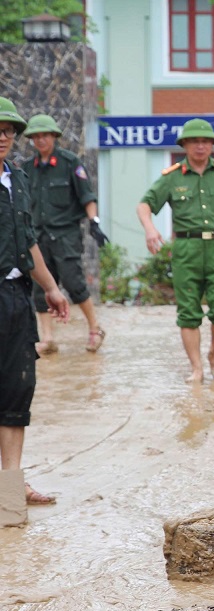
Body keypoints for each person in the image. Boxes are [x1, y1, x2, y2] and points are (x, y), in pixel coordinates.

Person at [136, 118, 214, 383]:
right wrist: (150, 228)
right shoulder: (172, 178)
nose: (200, 146)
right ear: (184, 144)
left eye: (205, 141)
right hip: (186, 249)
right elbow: (144, 205)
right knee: (188, 312)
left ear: (212, 145)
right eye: (194, 141)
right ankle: (196, 368)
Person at [0, 97, 70, 507]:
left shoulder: (18, 179)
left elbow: (27, 242)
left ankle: (10, 491)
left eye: (9, 130)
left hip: (15, 297)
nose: (3, 137)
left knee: (17, 390)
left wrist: (51, 288)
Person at [23, 114, 104, 356]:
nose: (40, 140)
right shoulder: (27, 169)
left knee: (73, 282)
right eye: (36, 136)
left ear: (55, 137)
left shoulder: (71, 164)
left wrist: (94, 223)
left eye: (45, 135)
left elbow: (87, 197)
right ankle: (47, 338)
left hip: (65, 235)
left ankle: (95, 328)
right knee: (39, 287)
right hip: (37, 236)